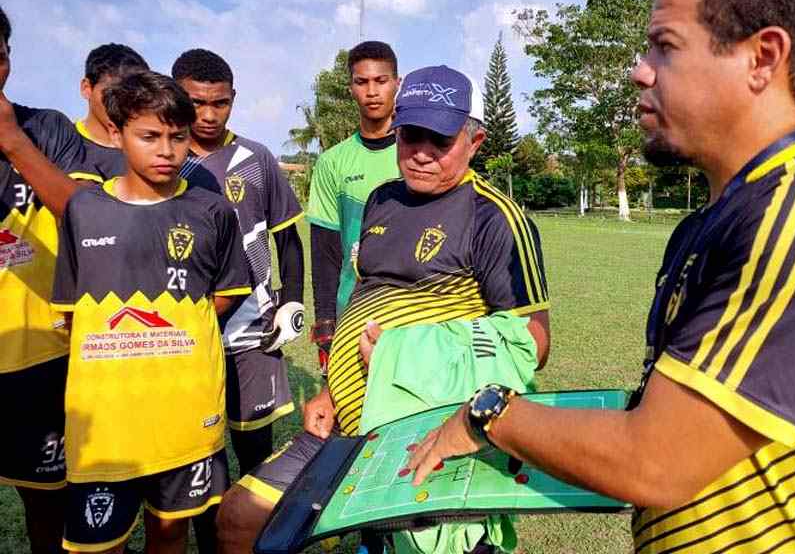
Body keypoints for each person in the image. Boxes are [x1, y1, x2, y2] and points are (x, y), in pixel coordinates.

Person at [407, 0, 795, 554]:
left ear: (762, 58)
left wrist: (489, 412)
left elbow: (654, 461)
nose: (639, 70)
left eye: (665, 46)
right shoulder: (716, 217)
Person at [216, 65, 551, 553]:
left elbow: (533, 343)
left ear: (474, 141)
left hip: (429, 430)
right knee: (241, 516)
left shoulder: (494, 217)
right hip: (346, 424)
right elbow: (367, 292)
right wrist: (333, 389)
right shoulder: (382, 199)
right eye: (409, 134)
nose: (419, 152)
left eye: (438, 139)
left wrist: (404, 354)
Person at [51, 70, 251, 553]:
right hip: (107, 423)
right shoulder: (84, 210)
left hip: (185, 414)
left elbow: (226, 293)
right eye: (150, 136)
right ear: (118, 134)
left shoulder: (213, 211)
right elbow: (75, 311)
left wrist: (175, 334)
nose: (166, 150)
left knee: (170, 531)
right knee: (96, 544)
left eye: (177, 137)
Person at [174, 48, 305, 477]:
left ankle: (250, 532)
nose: (209, 114)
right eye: (196, 103)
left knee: (254, 446)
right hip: (189, 327)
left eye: (220, 102)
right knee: (198, 450)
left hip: (253, 328)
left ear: (233, 98)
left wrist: (292, 303)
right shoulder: (165, 160)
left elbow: (287, 237)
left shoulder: (256, 159)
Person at [0, 4, 99, 553]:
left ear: (8, 61)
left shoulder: (46, 128)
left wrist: (13, 141)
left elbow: (84, 216)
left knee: (46, 502)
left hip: (38, 357)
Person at [307, 40, 401, 374]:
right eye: (362, 82)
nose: (372, 91)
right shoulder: (332, 162)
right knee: (347, 420)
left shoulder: (419, 156)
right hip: (352, 314)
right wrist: (325, 324)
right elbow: (325, 251)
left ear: (397, 84)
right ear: (351, 89)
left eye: (381, 80)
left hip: (410, 316)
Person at [77, 43, 150, 180]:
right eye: (112, 93)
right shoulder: (55, 139)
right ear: (87, 88)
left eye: (134, 94)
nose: (122, 103)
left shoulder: (152, 155)